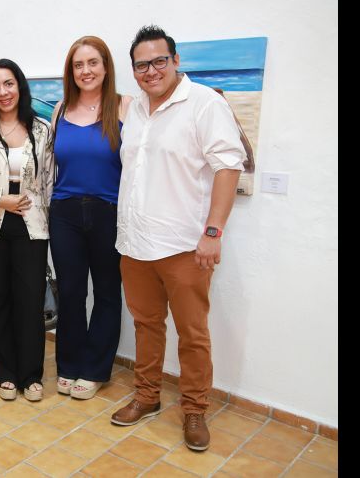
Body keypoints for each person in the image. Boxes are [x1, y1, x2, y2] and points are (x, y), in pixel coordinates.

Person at [110, 25, 245, 452]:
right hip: (134, 244)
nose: (151, 71)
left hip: (186, 246)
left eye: (159, 61)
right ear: (133, 70)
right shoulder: (133, 111)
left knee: (193, 333)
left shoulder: (203, 103)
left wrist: (213, 232)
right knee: (146, 326)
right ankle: (147, 397)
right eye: (141, 65)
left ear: (175, 61)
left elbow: (228, 166)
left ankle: (194, 409)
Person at [49, 36, 132, 400]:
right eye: (78, 65)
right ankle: (69, 363)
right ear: (71, 71)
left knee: (107, 293)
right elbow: (51, 167)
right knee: (69, 292)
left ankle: (97, 368)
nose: (86, 71)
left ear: (105, 67)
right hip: (64, 212)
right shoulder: (59, 110)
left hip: (108, 212)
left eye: (92, 63)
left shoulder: (124, 107)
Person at [0, 59, 54, 402]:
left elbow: (47, 181)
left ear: (19, 86)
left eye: (8, 84)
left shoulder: (42, 129)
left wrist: (51, 223)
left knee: (30, 301)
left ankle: (31, 375)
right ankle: (4, 372)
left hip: (31, 225)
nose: (2, 92)